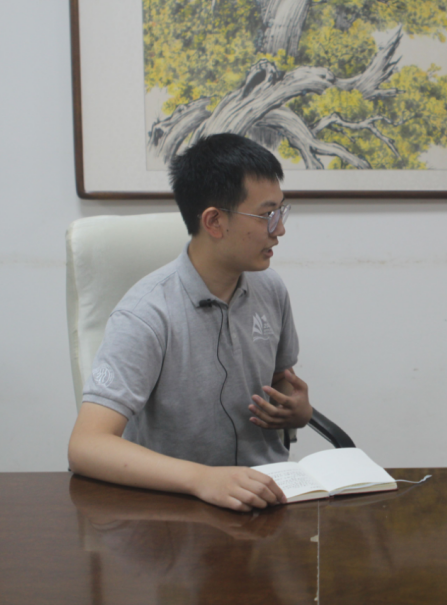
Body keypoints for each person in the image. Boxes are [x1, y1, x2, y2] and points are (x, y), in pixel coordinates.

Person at [68, 133, 312, 511]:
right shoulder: (146, 314)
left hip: (266, 495)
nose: (279, 229)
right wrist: (202, 479)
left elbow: (280, 378)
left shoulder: (270, 288)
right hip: (178, 506)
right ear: (214, 221)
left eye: (281, 212)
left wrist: (296, 410)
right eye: (267, 215)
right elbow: (86, 446)